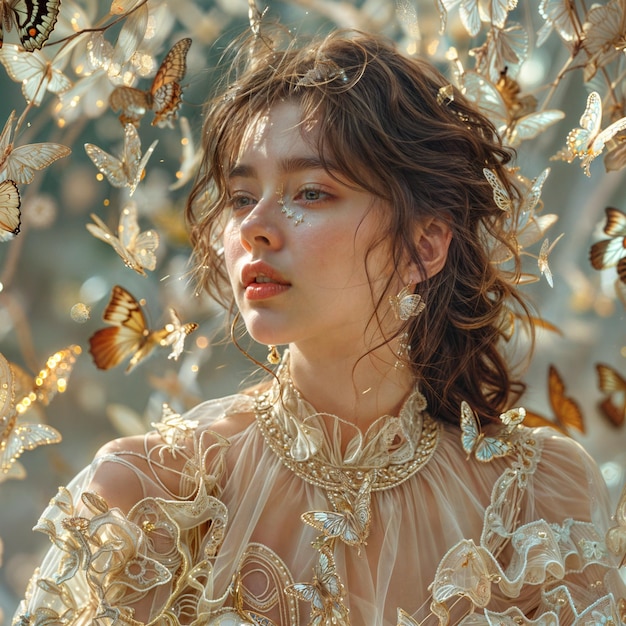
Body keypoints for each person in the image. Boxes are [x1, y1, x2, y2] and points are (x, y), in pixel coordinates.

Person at [13, 28, 626, 626]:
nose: (255, 225)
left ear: (424, 245)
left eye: (309, 192)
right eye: (239, 197)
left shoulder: (543, 501)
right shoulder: (148, 500)